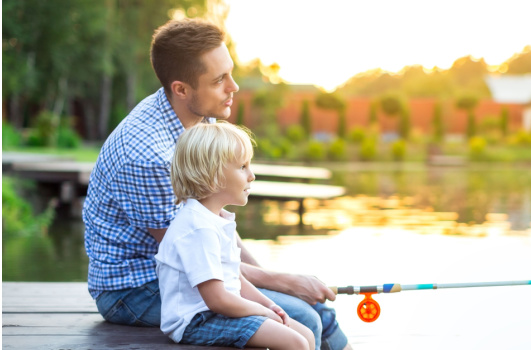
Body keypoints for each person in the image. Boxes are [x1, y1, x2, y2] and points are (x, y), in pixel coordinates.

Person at [82, 18, 350, 350]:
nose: (233, 87)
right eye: (220, 79)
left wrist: (271, 280)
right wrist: (280, 283)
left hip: (192, 272)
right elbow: (194, 253)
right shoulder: (148, 157)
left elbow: (215, 228)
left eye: (231, 73)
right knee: (304, 317)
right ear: (181, 88)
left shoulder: (199, 116)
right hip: (135, 289)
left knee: (314, 310)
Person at [156, 122, 313, 349]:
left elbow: (235, 279)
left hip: (219, 311)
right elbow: (217, 299)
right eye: (243, 167)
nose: (252, 175)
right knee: (295, 342)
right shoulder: (197, 228)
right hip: (196, 320)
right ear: (213, 175)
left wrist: (269, 305)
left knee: (304, 334)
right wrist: (262, 312)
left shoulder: (215, 219)